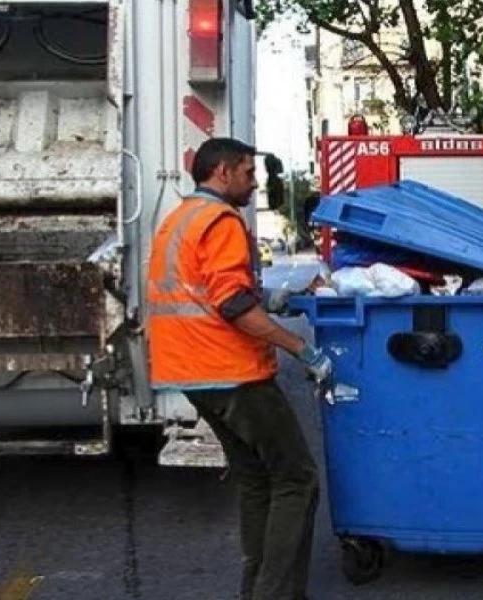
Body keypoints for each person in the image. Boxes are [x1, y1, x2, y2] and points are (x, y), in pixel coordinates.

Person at [146, 137, 334, 599]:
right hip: (232, 373)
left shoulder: (180, 219)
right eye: (249, 173)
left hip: (190, 373)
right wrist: (301, 349)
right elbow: (231, 305)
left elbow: (208, 291)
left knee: (256, 479)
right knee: (297, 479)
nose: (254, 183)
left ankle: (255, 588)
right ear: (223, 172)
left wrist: (275, 298)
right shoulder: (222, 220)